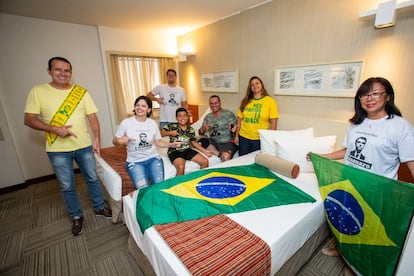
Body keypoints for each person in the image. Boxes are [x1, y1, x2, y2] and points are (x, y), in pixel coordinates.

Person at [315, 77, 414, 267]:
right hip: (350, 182)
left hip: (377, 189)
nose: (369, 98)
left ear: (388, 97)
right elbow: (346, 151)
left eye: (375, 93)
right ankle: (341, 249)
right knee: (345, 219)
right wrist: (322, 156)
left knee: (369, 228)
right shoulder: (355, 123)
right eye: (364, 94)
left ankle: (361, 263)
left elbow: (411, 161)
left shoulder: (400, 126)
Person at [24, 56, 112, 236]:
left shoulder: (81, 92)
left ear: (71, 73)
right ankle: (77, 216)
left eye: (67, 70)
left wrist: (96, 139)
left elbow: (92, 117)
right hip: (57, 150)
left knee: (92, 178)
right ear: (49, 71)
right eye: (58, 69)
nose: (63, 73)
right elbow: (29, 119)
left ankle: (99, 206)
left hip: (83, 145)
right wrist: (54, 129)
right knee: (67, 186)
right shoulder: (38, 91)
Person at [113, 96, 182, 190]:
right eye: (137, 105)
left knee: (159, 187)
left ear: (149, 110)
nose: (139, 108)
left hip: (153, 159)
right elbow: (114, 141)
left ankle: (159, 204)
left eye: (143, 106)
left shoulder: (152, 124)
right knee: (143, 189)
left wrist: (171, 144)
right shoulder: (126, 123)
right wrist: (119, 141)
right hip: (135, 162)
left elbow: (158, 142)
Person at [234, 76, 279, 156]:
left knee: (255, 163)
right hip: (244, 137)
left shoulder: (270, 101)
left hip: (259, 139)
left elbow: (273, 122)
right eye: (252, 85)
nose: (255, 86)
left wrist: (270, 139)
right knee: (242, 162)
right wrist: (236, 136)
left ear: (261, 84)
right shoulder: (245, 101)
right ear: (250, 88)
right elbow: (240, 120)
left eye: (257, 83)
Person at [161, 107, 211, 175]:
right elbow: (161, 132)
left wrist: (205, 151)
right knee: (181, 167)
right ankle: (178, 185)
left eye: (184, 115)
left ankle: (197, 180)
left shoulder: (191, 129)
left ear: (187, 117)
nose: (182, 118)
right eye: (180, 116)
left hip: (187, 150)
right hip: (175, 151)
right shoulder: (172, 126)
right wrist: (170, 133)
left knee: (205, 162)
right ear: (176, 118)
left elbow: (194, 142)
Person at [198, 95, 238, 161]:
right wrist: (203, 129)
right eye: (211, 103)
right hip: (213, 142)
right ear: (209, 105)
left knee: (226, 156)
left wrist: (233, 131)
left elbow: (234, 133)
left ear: (220, 103)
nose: (214, 105)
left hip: (226, 142)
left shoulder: (229, 115)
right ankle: (219, 154)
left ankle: (222, 156)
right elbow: (200, 132)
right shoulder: (208, 117)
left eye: (216, 103)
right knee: (201, 141)